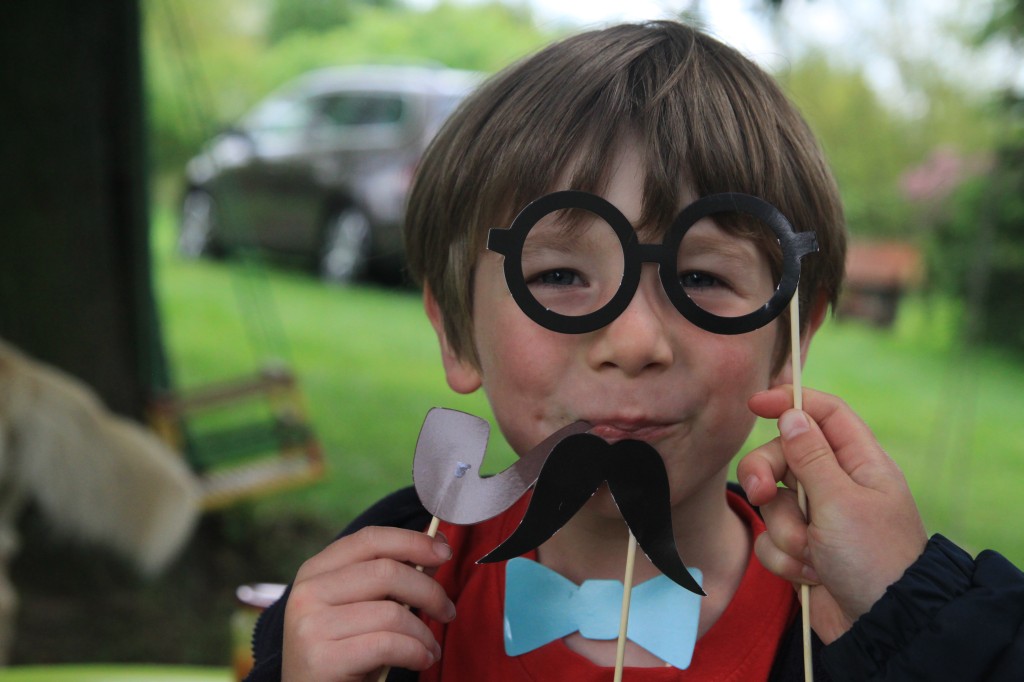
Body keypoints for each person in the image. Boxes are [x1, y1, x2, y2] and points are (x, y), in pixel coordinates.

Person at [247, 21, 1024, 681]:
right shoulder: (386, 592)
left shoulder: (861, 631)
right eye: (558, 275)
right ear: (455, 330)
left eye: (700, 278)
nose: (635, 342)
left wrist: (921, 622)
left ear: (791, 339)